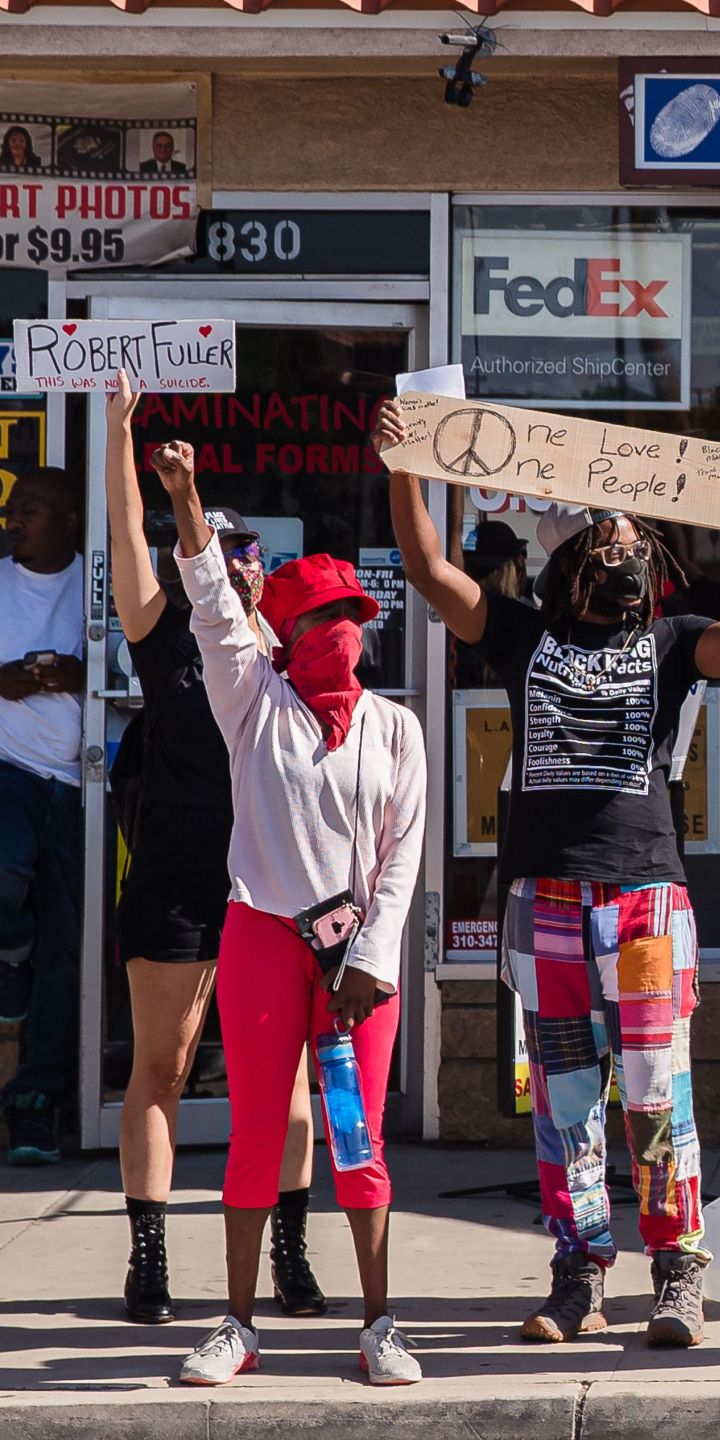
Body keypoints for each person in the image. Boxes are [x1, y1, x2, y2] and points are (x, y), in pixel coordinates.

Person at [377, 401, 720, 1348]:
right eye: (602, 534)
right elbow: (432, 572)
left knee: (652, 1085)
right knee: (563, 1097)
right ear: (565, 561)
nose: (617, 548)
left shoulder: (674, 642)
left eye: (631, 536)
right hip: (546, 896)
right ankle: (579, 1271)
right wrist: (403, 466)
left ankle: (676, 1272)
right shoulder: (521, 633)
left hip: (642, 895)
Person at [153, 458, 427, 1387]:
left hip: (357, 965)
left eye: (353, 619)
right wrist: (186, 499)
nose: (341, 634)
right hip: (265, 937)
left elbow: (402, 860)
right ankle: (236, 1322)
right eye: (322, 619)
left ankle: (381, 1322)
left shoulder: (398, 730)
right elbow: (208, 599)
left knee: (357, 1139)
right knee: (257, 1131)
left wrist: (372, 962)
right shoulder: (251, 699)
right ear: (287, 629)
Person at [101, 376, 325, 1324]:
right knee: (164, 1065)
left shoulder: (283, 649)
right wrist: (120, 435)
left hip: (272, 875)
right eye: (214, 546)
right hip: (178, 872)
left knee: (292, 1084)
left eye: (244, 550)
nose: (228, 562)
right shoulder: (165, 639)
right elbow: (127, 541)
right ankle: (148, 1261)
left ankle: (292, 1256)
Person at [0, 464, 85, 1166]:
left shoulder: (101, 581)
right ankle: (9, 957)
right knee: (4, 880)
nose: (13, 521)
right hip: (11, 772)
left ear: (69, 520)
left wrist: (84, 676)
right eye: (11, 510)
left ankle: (35, 1104)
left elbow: (138, 663)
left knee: (67, 954)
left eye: (28, 510)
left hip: (84, 785)